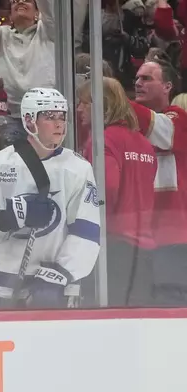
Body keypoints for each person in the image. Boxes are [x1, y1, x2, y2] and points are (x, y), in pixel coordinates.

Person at [0, 87, 101, 309]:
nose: (59, 124)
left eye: (62, 117)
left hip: (56, 290)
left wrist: (61, 273)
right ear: (29, 121)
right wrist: (5, 218)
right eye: (49, 117)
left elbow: (87, 231)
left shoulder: (78, 168)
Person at [78, 77, 157, 306]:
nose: (79, 108)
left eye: (84, 102)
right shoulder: (143, 142)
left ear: (102, 104)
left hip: (113, 246)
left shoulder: (103, 140)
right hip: (144, 248)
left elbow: (106, 190)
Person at [129, 59, 187, 305]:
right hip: (137, 234)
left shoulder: (178, 118)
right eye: (137, 78)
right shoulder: (130, 126)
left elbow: (163, 133)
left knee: (170, 304)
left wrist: (115, 101)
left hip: (172, 234)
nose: (138, 83)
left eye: (147, 78)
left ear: (168, 86)